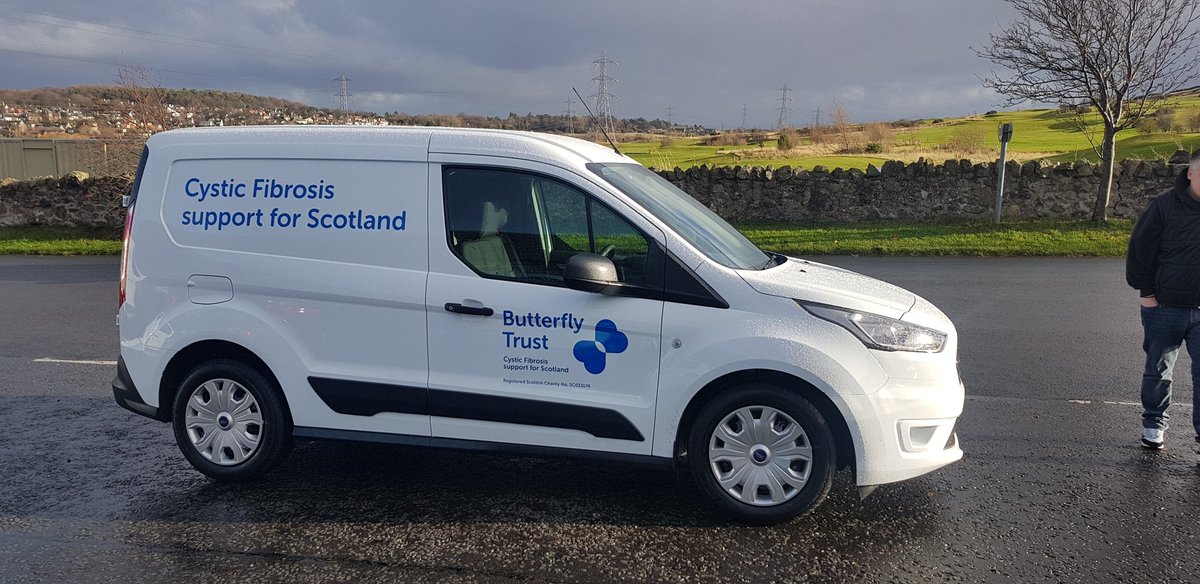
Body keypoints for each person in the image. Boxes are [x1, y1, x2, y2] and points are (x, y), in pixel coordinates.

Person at [1127, 150, 1200, 461]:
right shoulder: (1162, 205)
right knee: (1158, 371)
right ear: (1190, 174)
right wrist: (1146, 294)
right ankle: (1154, 424)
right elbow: (1139, 251)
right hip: (1164, 307)